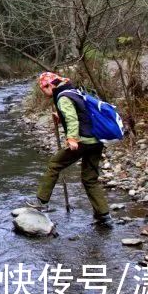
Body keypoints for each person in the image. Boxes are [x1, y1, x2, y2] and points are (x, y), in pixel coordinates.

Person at [30, 72, 111, 224]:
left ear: (50, 85)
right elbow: (83, 114)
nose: (44, 93)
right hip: (96, 141)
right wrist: (60, 117)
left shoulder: (62, 97)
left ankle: (41, 202)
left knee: (54, 165)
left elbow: (72, 119)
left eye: (44, 89)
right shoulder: (73, 91)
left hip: (81, 141)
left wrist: (71, 139)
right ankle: (103, 215)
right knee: (90, 179)